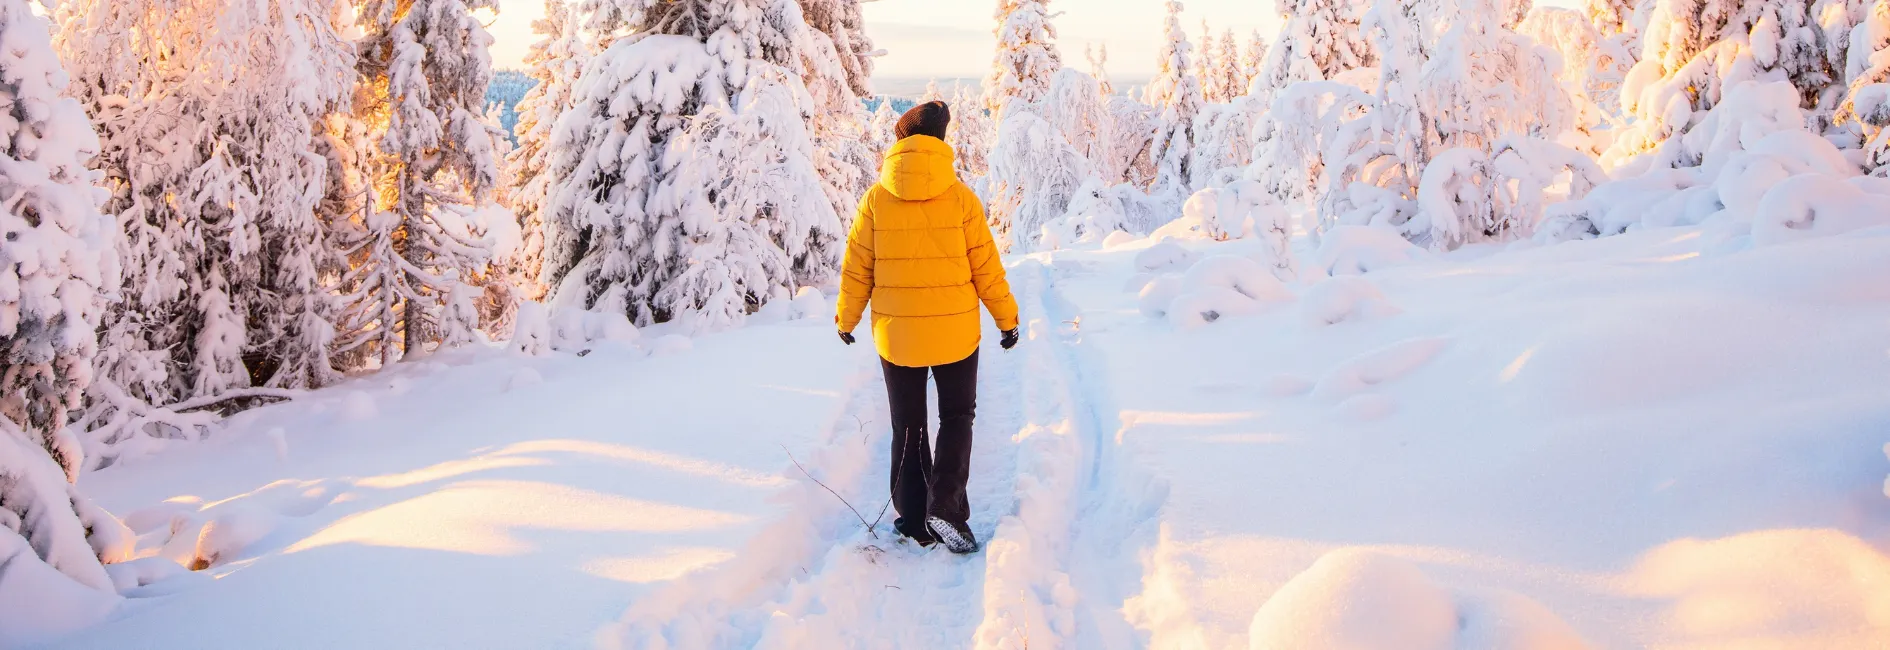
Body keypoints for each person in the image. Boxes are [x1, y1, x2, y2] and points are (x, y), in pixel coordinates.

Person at [835, 101, 1019, 554]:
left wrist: (847, 317)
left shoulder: (876, 198)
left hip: (897, 336)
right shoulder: (961, 197)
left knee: (909, 424)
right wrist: (1006, 319)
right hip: (956, 335)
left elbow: (857, 267)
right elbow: (986, 269)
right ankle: (947, 510)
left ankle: (915, 517)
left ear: (901, 141)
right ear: (940, 143)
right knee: (957, 418)